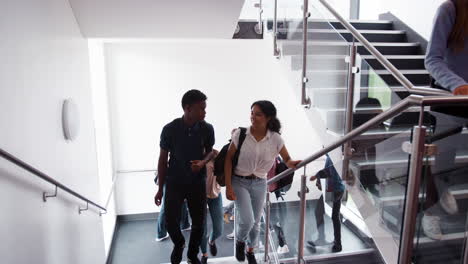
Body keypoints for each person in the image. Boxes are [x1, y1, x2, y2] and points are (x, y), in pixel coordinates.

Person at [225, 100, 301, 264]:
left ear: (268, 117)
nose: (252, 116)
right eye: (252, 112)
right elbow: (228, 159)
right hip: (240, 181)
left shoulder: (275, 139)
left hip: (260, 182)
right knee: (247, 220)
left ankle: (250, 251)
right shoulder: (241, 133)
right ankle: (240, 241)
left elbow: (286, 158)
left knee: (256, 223)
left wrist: (291, 163)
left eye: (257, 114)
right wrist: (229, 187)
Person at [423, 0, 468, 240]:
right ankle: (430, 214)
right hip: (449, 97)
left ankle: (445, 189)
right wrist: (457, 84)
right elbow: (432, 60)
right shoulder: (450, 9)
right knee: (442, 159)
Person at [154, 90, 215, 264]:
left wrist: (202, 163)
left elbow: (210, 152)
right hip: (174, 182)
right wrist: (160, 189)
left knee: (199, 222)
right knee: (170, 221)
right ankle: (179, 244)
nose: (205, 112)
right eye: (201, 108)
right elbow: (162, 159)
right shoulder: (169, 129)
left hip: (196, 182)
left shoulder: (207, 128)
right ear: (188, 108)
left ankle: (192, 254)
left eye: (205, 108)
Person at [308, 154, 345, 253]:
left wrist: (317, 177)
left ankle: (323, 239)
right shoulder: (334, 156)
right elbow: (329, 172)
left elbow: (329, 173)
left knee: (319, 212)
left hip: (334, 189)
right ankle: (337, 244)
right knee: (334, 216)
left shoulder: (332, 157)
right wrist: (317, 177)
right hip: (339, 189)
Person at [200, 151, 224, 264]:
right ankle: (204, 254)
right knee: (201, 228)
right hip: (199, 196)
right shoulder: (194, 153)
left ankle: (212, 241)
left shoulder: (215, 154)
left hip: (215, 194)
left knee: (219, 228)